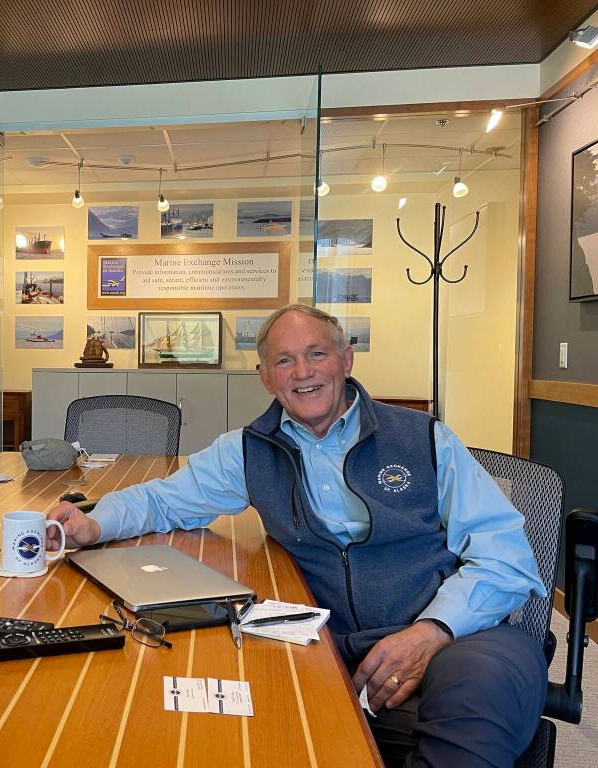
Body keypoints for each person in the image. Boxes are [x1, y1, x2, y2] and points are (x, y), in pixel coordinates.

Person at [47, 304, 548, 768]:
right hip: (328, 639)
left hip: (458, 632)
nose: (303, 373)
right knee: (246, 722)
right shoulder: (247, 450)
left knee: (478, 705)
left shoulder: (425, 438)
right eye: (283, 361)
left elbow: (505, 557)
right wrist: (94, 523)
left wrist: (430, 632)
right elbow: (161, 500)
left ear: (346, 359)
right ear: (265, 378)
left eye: (316, 354)